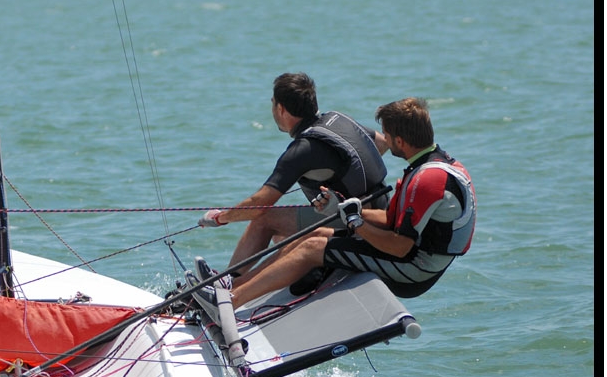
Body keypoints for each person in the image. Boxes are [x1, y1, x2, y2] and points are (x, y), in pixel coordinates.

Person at [202, 97, 475, 311]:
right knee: (316, 234)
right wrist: (344, 209)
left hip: (415, 270)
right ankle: (232, 289)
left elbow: (400, 246)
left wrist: (355, 223)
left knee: (313, 247)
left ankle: (232, 301)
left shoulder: (426, 180)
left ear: (400, 141)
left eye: (387, 135)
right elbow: (391, 220)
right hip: (410, 253)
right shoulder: (431, 164)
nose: (385, 140)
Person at [198, 72, 390, 280]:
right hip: (383, 209)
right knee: (282, 235)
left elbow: (259, 204)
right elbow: (381, 144)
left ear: (280, 109)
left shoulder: (301, 151)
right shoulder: (338, 119)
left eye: (272, 104)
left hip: (357, 222)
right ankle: (314, 271)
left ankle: (227, 284)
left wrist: (220, 217)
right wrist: (340, 173)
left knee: (265, 220)